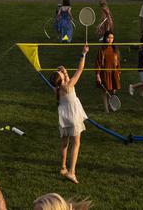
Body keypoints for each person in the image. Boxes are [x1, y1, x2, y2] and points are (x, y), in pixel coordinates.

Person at [51, 44, 90, 184]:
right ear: (61, 79)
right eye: (60, 73)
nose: (60, 72)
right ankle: (72, 172)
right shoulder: (69, 86)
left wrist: (65, 73)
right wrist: (83, 54)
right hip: (73, 116)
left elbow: (63, 81)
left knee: (64, 143)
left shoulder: (57, 89)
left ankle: (63, 167)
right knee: (76, 144)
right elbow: (80, 69)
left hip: (64, 117)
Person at [94, 31, 121, 113]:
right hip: (105, 73)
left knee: (113, 90)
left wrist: (118, 71)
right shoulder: (101, 49)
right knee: (105, 90)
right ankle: (106, 108)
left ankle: (111, 106)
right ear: (105, 38)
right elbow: (98, 62)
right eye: (108, 37)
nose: (110, 39)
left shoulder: (115, 49)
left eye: (112, 38)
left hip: (114, 72)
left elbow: (117, 61)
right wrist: (98, 75)